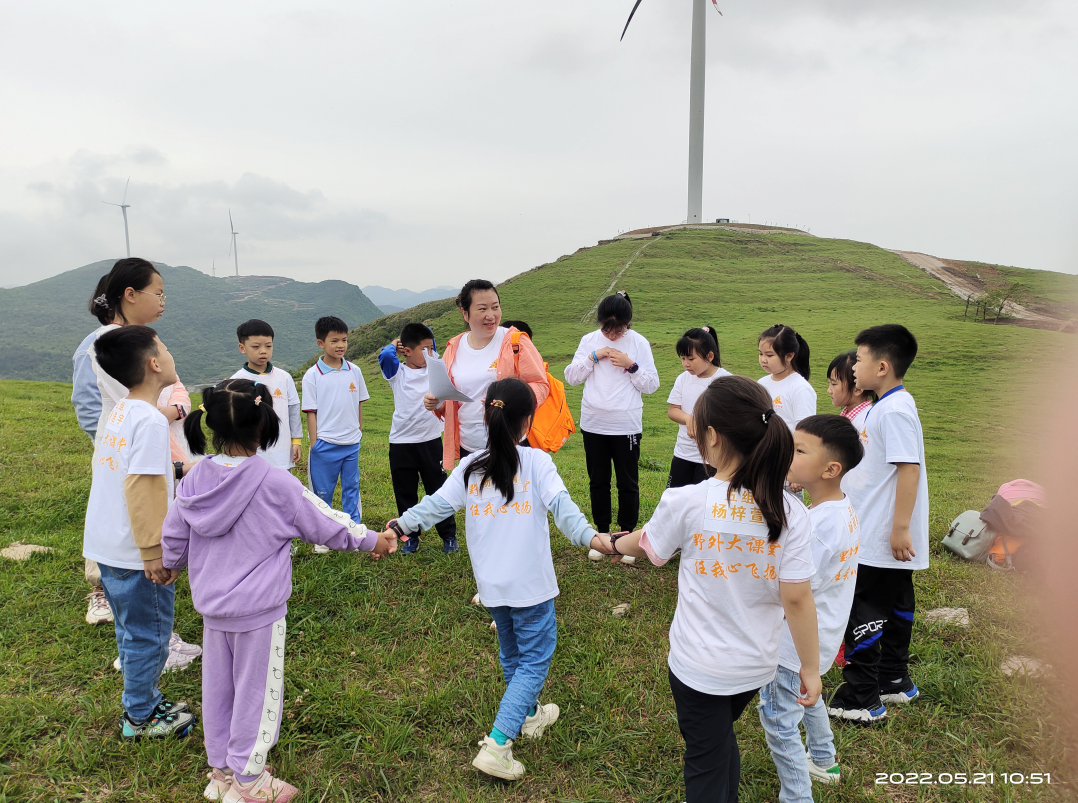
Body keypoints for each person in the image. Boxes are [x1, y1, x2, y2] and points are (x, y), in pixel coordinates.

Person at [162, 378, 396, 803]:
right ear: (265, 427)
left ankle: (221, 774)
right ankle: (249, 780)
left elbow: (174, 533)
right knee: (257, 694)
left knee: (218, 690)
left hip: (213, 612)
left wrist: (171, 565)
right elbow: (324, 521)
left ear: (210, 424)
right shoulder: (277, 484)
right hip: (259, 613)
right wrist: (372, 539)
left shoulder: (193, 482)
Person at [594, 376, 820, 803]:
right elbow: (797, 597)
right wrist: (810, 667)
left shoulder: (687, 500)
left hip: (698, 667)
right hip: (756, 666)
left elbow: (646, 545)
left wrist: (610, 542)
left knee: (705, 759)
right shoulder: (792, 510)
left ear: (712, 437)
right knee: (718, 739)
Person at [385, 378, 607, 781]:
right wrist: (597, 539)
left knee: (512, 655)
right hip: (530, 587)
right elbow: (565, 512)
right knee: (534, 660)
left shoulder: (471, 467)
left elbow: (435, 506)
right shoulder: (538, 463)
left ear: (487, 415)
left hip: (491, 587)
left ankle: (531, 715)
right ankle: (498, 743)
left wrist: (401, 525)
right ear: (529, 420)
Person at [72, 258, 199, 670]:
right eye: (157, 293)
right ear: (130, 294)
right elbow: (147, 401)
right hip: (141, 456)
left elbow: (171, 389)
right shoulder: (112, 346)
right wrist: (176, 410)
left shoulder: (132, 340)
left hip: (150, 452)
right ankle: (154, 650)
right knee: (147, 547)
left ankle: (151, 641)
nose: (163, 301)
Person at [81, 325, 196, 739]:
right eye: (164, 347)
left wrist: (182, 469)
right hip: (135, 553)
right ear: (153, 364)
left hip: (107, 545)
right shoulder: (149, 421)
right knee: (150, 634)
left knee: (131, 629)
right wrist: (154, 552)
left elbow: (131, 473)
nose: (169, 352)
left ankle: (142, 698)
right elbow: (143, 487)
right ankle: (141, 715)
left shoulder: (120, 412)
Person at [758, 414, 863, 801]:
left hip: (792, 643)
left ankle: (797, 795)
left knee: (778, 717)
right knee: (807, 693)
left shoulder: (818, 527)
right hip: (820, 636)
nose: (788, 453)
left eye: (799, 450)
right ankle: (823, 757)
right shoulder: (840, 510)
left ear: (830, 469)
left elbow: (795, 591)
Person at [829, 324, 928, 723]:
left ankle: (862, 698)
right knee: (896, 603)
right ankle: (894, 680)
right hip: (879, 531)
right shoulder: (886, 406)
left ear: (882, 366)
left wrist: (900, 527)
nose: (854, 367)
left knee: (864, 610)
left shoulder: (895, 409)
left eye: (861, 359)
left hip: (881, 534)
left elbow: (909, 468)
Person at [563, 291, 659, 549]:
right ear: (600, 322)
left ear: (628, 323)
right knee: (598, 481)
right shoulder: (589, 340)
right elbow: (571, 377)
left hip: (626, 425)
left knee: (628, 482)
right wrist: (593, 357)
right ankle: (603, 534)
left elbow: (651, 385)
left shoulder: (639, 343)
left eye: (619, 331)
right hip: (593, 424)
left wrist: (631, 365)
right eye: (608, 330)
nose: (613, 335)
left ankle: (626, 537)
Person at [423, 280, 549, 467]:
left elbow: (541, 385)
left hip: (510, 444)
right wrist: (436, 402)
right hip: (469, 447)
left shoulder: (515, 342)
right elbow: (451, 397)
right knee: (474, 496)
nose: (491, 315)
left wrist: (509, 402)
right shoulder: (454, 347)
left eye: (495, 307)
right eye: (482, 309)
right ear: (465, 313)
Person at [378, 322, 458, 554]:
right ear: (407, 351)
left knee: (439, 490)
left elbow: (438, 357)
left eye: (432, 348)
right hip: (401, 443)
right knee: (405, 492)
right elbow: (385, 356)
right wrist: (394, 344)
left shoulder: (436, 369)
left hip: (432, 441)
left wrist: (430, 348)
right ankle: (409, 537)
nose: (430, 353)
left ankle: (449, 536)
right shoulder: (397, 373)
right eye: (424, 349)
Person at [301, 316, 370, 554]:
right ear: (321, 343)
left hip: (351, 443)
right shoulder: (313, 375)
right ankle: (323, 536)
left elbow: (359, 401)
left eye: (344, 340)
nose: (340, 345)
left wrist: (358, 428)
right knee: (322, 493)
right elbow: (311, 411)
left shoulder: (355, 371)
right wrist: (315, 443)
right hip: (325, 444)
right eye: (334, 341)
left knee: (352, 488)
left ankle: (353, 531)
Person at [231, 319, 302, 470]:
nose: (263, 351)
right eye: (256, 347)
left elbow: (293, 410)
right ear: (242, 348)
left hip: (281, 454)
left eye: (268, 346)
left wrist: (296, 441)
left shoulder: (284, 377)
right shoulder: (236, 381)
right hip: (250, 456)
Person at [666, 326, 730, 488]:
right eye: (682, 359)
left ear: (709, 356)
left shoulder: (725, 381)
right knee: (675, 500)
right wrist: (688, 419)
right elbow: (673, 410)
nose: (686, 364)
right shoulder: (683, 379)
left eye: (691, 359)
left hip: (712, 458)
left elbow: (731, 418)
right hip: (683, 453)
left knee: (704, 505)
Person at [826, 350, 874, 431]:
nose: (829, 390)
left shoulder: (864, 423)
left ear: (857, 389)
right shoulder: (849, 416)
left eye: (834, 384)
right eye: (829, 383)